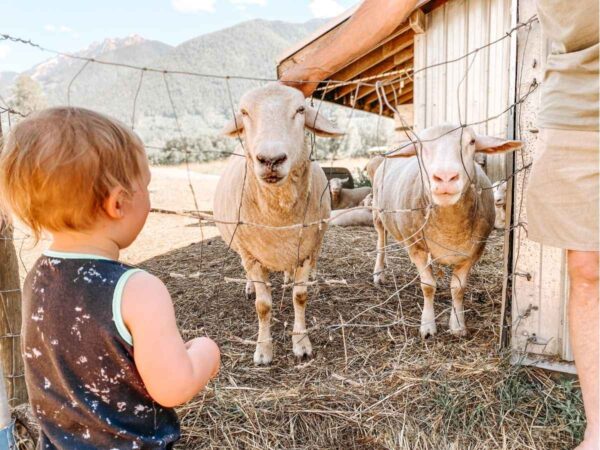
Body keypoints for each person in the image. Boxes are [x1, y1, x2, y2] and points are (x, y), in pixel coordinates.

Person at [281, 1, 599, 449]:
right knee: (586, 269)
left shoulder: (478, 188)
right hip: (581, 102)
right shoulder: (403, 182)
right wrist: (316, 63)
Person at [0, 107, 221, 449]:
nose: (150, 196)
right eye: (146, 186)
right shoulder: (137, 290)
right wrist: (206, 352)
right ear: (117, 203)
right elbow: (174, 386)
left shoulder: (38, 276)